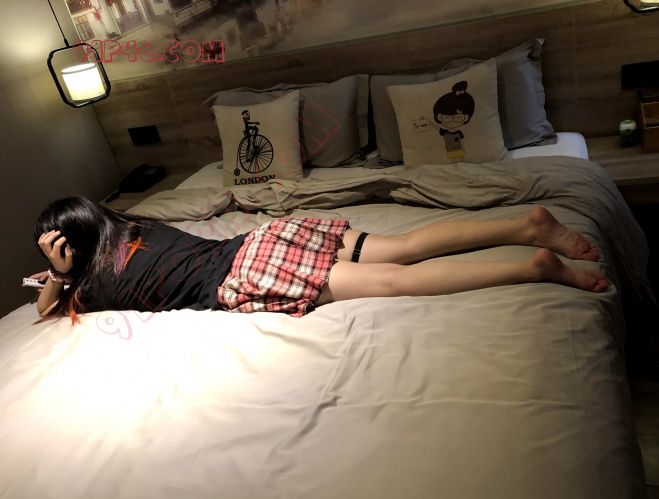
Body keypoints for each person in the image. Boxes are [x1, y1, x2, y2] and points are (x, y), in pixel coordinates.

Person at [32, 196, 607, 322]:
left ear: (70, 246)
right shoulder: (137, 227)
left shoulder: (98, 285)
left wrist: (61, 275)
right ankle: (524, 226)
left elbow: (44, 308)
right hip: (265, 239)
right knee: (405, 248)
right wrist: (63, 272)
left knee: (394, 282)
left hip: (248, 273)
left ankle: (532, 267)